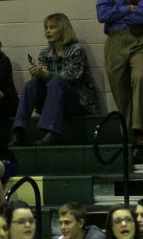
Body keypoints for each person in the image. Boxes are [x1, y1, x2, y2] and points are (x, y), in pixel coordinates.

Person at [10, 13, 98, 146]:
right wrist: (37, 74)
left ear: (63, 29)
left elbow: (72, 77)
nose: (47, 31)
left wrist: (46, 75)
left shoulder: (76, 50)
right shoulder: (45, 53)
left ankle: (52, 133)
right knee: (30, 85)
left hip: (77, 102)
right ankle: (18, 132)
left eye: (52, 27)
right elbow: (43, 79)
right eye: (46, 28)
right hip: (53, 101)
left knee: (56, 82)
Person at [97, 0, 143, 159]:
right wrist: (128, 8)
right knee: (120, 92)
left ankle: (138, 130)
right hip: (115, 41)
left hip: (139, 40)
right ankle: (129, 139)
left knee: (140, 77)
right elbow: (102, 14)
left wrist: (116, 15)